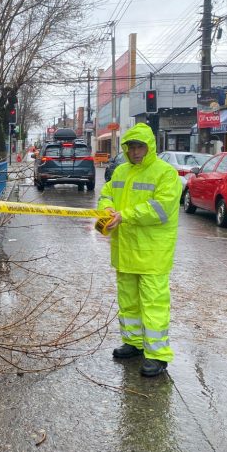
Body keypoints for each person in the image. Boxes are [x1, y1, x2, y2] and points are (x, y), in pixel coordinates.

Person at [97, 123, 181, 377]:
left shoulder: (165, 173)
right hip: (125, 251)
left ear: (150, 147)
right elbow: (106, 194)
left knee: (154, 304)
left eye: (140, 147)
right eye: (131, 147)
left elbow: (161, 209)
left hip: (152, 253)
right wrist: (106, 208)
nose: (135, 152)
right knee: (128, 301)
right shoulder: (121, 171)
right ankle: (133, 343)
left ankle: (157, 355)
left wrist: (125, 215)